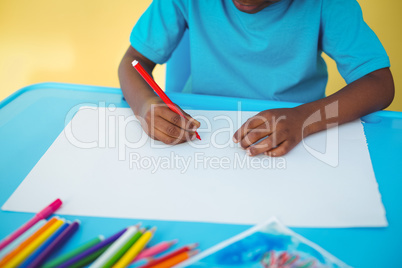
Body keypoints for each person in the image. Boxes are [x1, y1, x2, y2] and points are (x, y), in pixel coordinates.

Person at [118, 0, 394, 157]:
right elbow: (133, 63)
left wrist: (303, 119)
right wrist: (144, 106)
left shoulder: (328, 4)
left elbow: (379, 83)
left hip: (300, 133)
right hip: (203, 134)